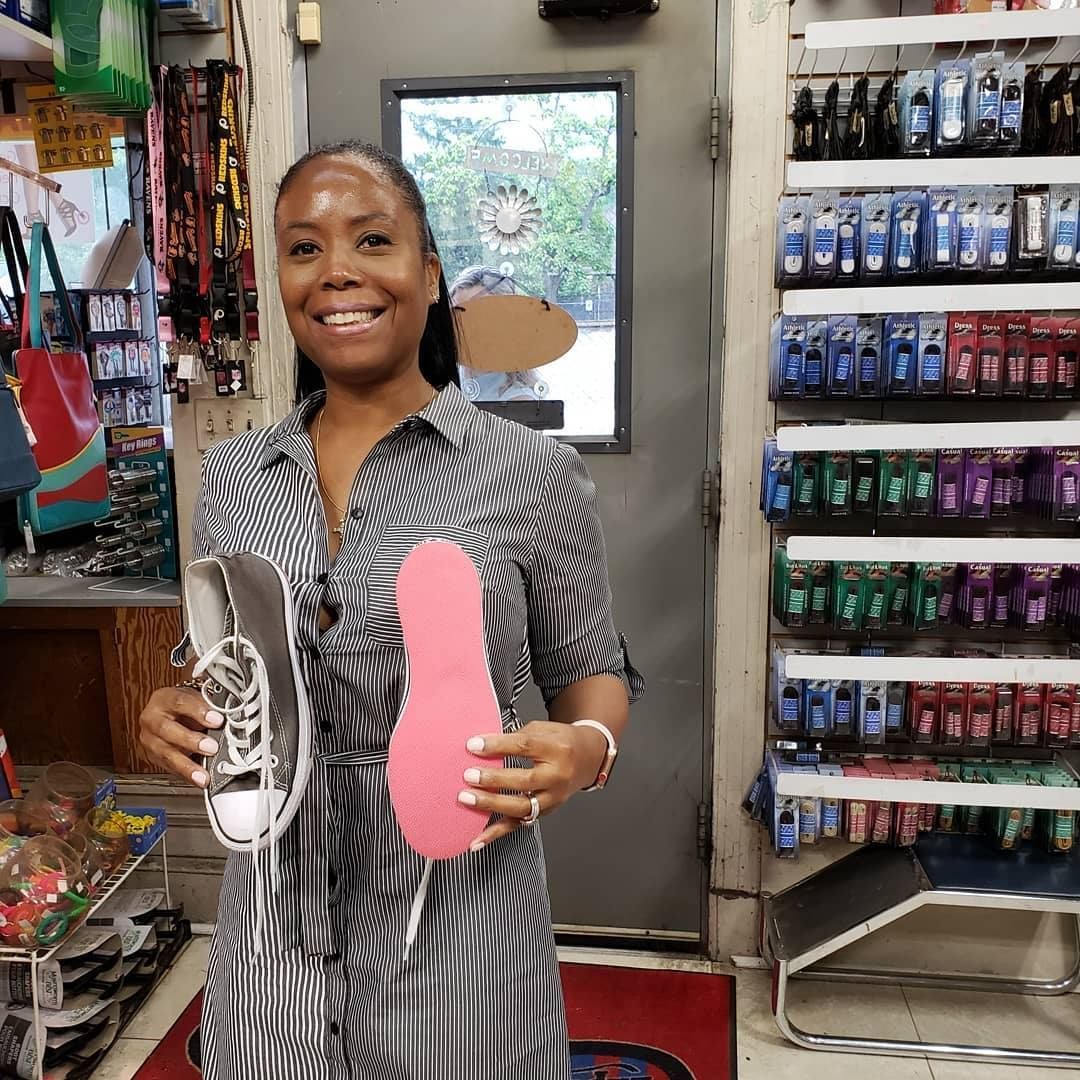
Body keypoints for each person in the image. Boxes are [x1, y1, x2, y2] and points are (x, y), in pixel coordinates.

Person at [137, 141, 642, 1080]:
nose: (337, 273)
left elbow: (594, 672)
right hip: (272, 947)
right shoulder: (235, 479)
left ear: (428, 271)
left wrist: (586, 752)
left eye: (372, 240)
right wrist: (178, 715)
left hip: (456, 922)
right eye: (302, 249)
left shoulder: (529, 474)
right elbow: (219, 666)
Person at [450, 264, 547, 403]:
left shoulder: (520, 401)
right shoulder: (447, 376)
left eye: (479, 315)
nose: (464, 325)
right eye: (457, 313)